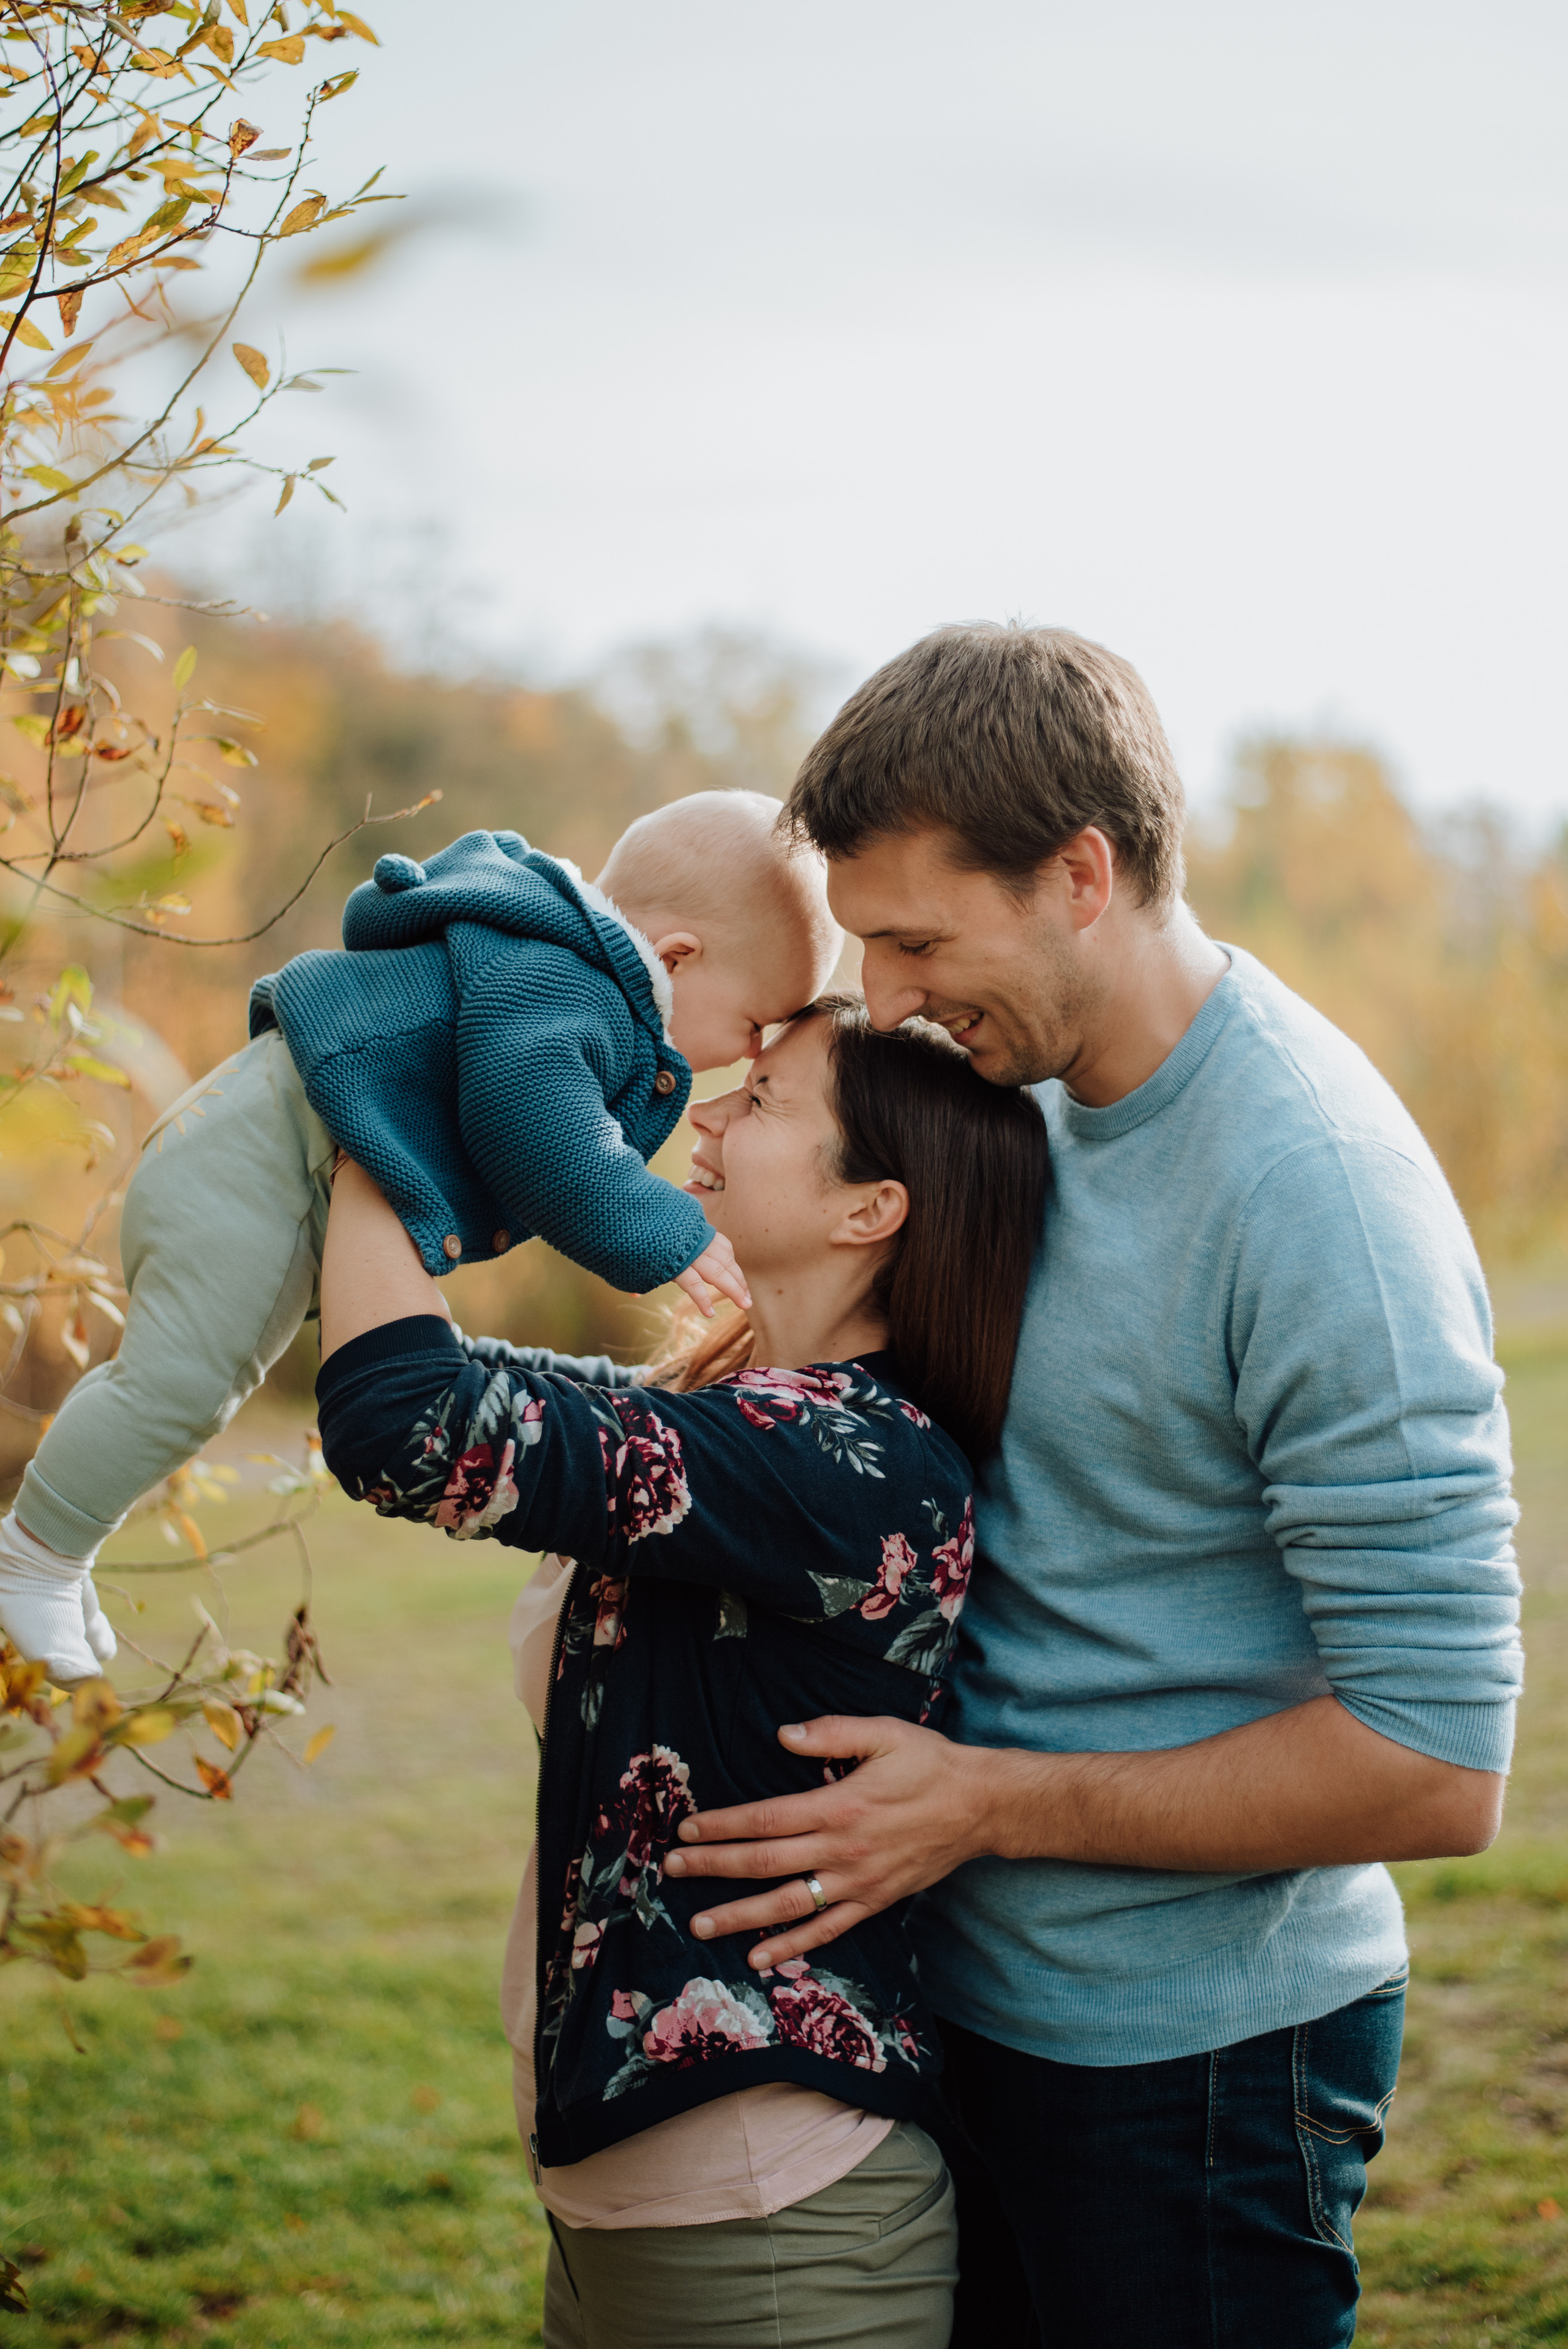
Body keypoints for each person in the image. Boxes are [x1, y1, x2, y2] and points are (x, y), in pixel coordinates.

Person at [658, 624, 1525, 2347]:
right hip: (949, 2006)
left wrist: (981, 1802)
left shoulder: (1316, 1195)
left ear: (1081, 874)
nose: (888, 998)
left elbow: (1436, 1765)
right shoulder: (1009, 1093)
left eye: (915, 940)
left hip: (1198, 2072)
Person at [314, 994, 1049, 2349]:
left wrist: (371, 1111)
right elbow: (445, 1380)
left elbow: (408, 1424)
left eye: (762, 1102)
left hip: (767, 2231)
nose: (708, 1113)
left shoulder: (850, 1458)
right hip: (649, 2209)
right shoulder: (740, 1422)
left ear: (867, 1209)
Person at [0, 790, 835, 1684]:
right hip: (260, 1158)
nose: (750, 1055)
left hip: (260, 1152)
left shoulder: (550, 962)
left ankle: (62, 1542)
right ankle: (34, 1554)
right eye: (754, 1025)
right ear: (678, 956)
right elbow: (538, 1127)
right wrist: (664, 1231)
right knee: (179, 1384)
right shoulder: (569, 983)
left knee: (202, 1378)